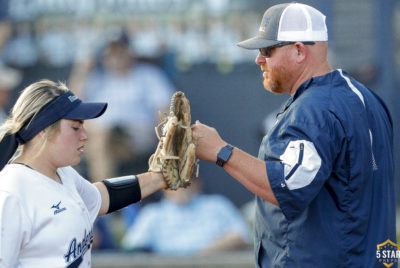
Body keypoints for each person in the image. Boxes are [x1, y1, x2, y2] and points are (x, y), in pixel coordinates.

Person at [191, 3, 395, 267]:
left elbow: (287, 187)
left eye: (267, 50)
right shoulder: (367, 98)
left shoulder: (313, 110)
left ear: (299, 50)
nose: (258, 59)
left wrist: (220, 151)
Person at [0, 80, 168, 267]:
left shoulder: (63, 173)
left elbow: (100, 197)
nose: (84, 135)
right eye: (75, 127)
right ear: (42, 130)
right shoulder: (10, 193)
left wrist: (161, 177)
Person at [120, 178, 251, 255]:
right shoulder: (153, 213)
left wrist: (201, 257)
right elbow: (131, 248)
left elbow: (242, 236)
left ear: (197, 183)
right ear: (163, 186)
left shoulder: (216, 204)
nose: (180, 188)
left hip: (213, 263)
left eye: (185, 181)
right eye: (173, 181)